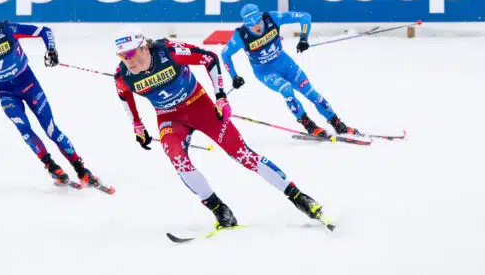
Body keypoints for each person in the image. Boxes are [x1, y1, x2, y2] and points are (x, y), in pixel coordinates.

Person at [113, 28, 331, 230]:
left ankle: (299, 197)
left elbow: (210, 59)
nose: (126, 60)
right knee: (176, 157)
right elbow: (124, 96)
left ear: (144, 48)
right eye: (121, 56)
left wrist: (220, 97)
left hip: (200, 106)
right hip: (169, 118)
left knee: (242, 154)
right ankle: (219, 210)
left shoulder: (168, 52)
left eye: (130, 54)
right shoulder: (122, 75)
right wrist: (137, 125)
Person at [0, 4, 107, 188]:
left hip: (28, 84)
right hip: (5, 92)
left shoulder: (7, 30)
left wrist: (51, 50)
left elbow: (44, 31)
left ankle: (81, 169)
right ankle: (52, 167)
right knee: (25, 130)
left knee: (51, 130)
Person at [222, 4, 356, 138]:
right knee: (286, 90)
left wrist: (304, 38)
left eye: (258, 21)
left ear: (260, 16)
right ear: (246, 24)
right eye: (252, 25)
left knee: (311, 93)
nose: (257, 27)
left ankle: (337, 123)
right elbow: (225, 54)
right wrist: (234, 76)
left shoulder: (272, 18)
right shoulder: (240, 35)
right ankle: (308, 124)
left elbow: (305, 17)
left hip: (286, 64)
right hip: (266, 73)